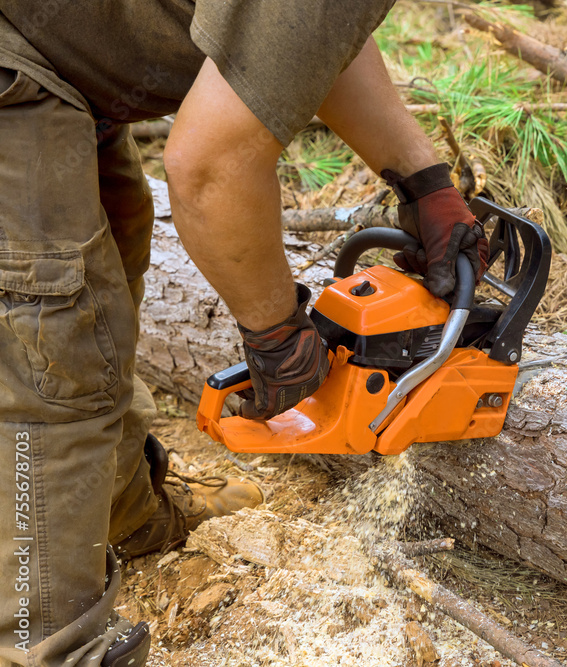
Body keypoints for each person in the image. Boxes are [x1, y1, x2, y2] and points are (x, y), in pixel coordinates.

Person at [0, 2, 486, 666]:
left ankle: (120, 511)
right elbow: (206, 169)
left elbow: (311, 38)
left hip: (63, 55)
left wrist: (421, 177)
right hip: (16, 63)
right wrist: (276, 330)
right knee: (51, 338)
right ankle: (42, 641)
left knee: (108, 255)